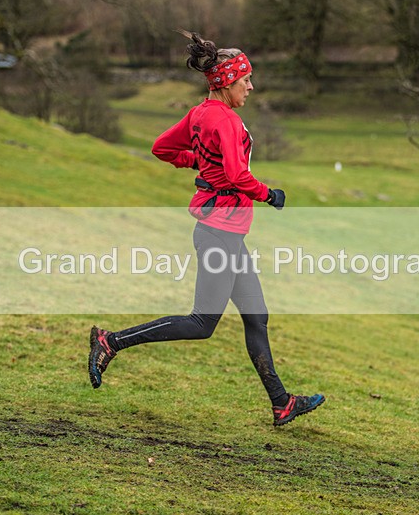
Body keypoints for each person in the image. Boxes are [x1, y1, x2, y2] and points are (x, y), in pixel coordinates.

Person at [88, 31, 324, 427]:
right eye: (245, 79)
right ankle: (110, 342)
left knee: (256, 316)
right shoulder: (226, 120)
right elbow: (235, 173)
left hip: (226, 233)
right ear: (226, 82)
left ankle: (281, 403)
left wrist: (199, 163)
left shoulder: (201, 114)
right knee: (202, 323)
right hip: (219, 233)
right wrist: (269, 194)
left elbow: (162, 148)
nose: (250, 86)